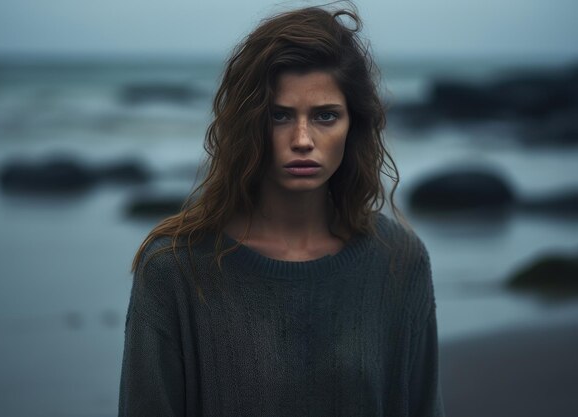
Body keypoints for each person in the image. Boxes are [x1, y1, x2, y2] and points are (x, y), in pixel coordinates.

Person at [119, 4, 444, 417]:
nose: (303, 139)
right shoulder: (175, 269)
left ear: (354, 125)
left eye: (326, 116)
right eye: (279, 116)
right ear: (248, 123)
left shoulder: (400, 260)